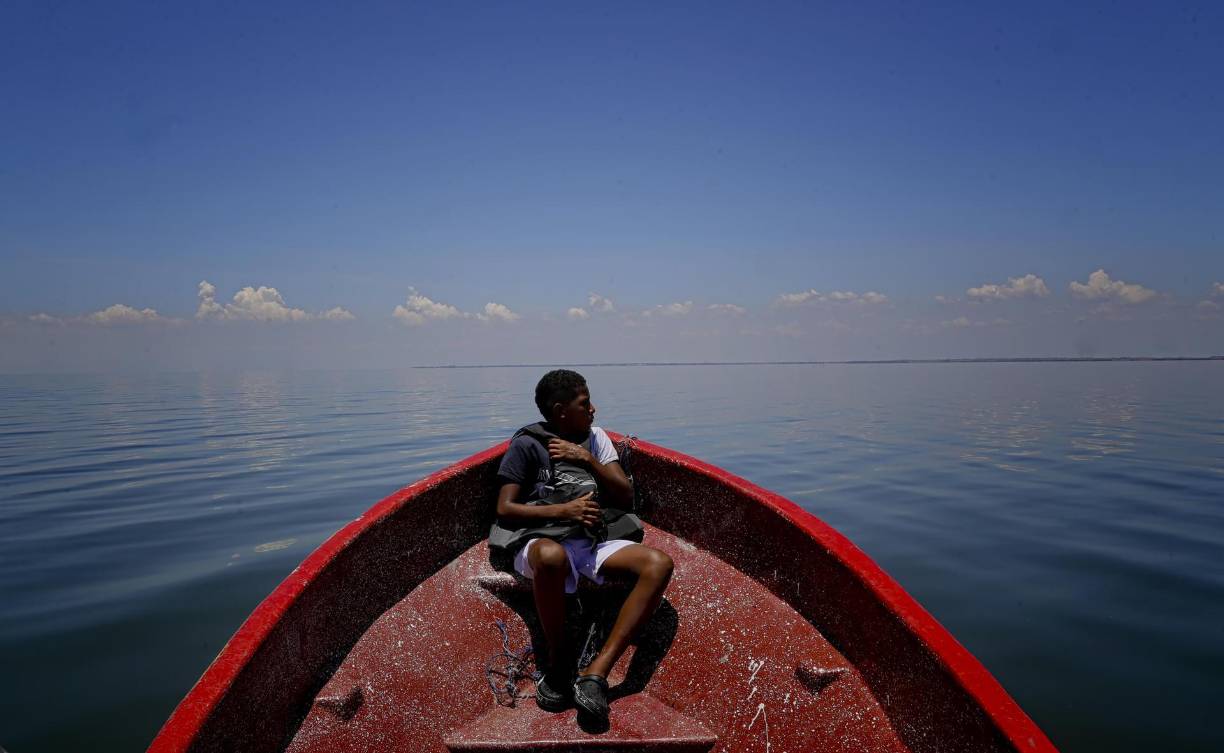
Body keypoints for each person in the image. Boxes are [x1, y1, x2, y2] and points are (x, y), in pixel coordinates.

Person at [493, 369, 674, 720]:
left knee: (658, 564)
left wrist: (587, 460)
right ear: (561, 410)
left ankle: (595, 674)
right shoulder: (528, 444)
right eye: (585, 403)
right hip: (539, 539)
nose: (594, 409)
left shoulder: (596, 438)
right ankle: (559, 663)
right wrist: (566, 509)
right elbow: (504, 508)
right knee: (551, 555)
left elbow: (625, 496)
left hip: (590, 540)